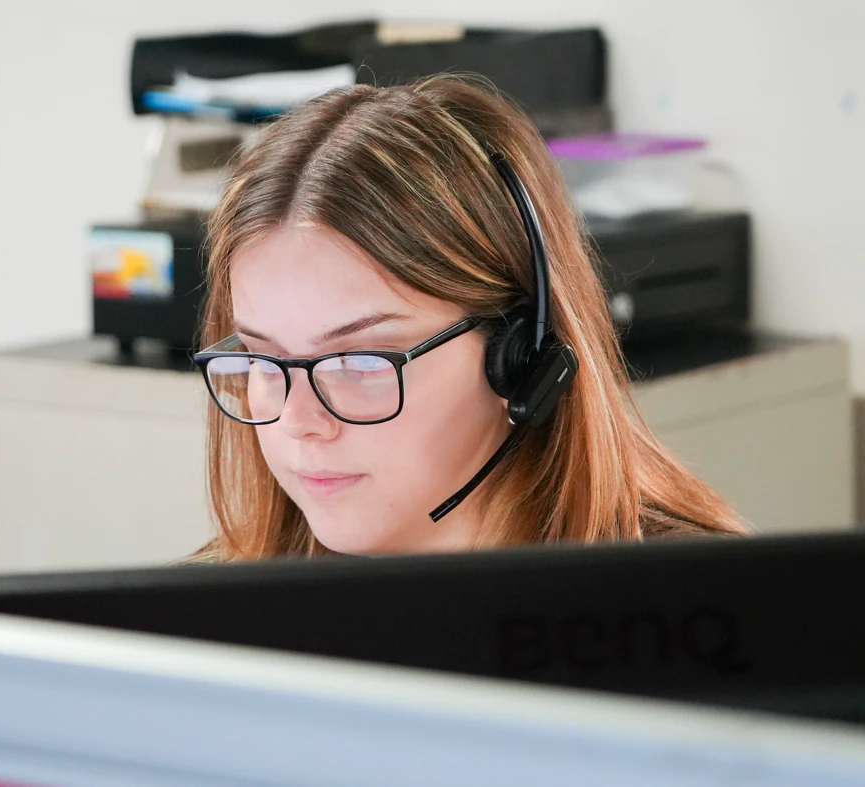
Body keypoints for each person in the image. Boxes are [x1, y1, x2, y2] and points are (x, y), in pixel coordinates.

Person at [189, 75, 748, 563]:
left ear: (521, 359)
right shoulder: (206, 616)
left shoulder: (699, 606)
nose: (298, 422)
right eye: (264, 360)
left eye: (360, 363)